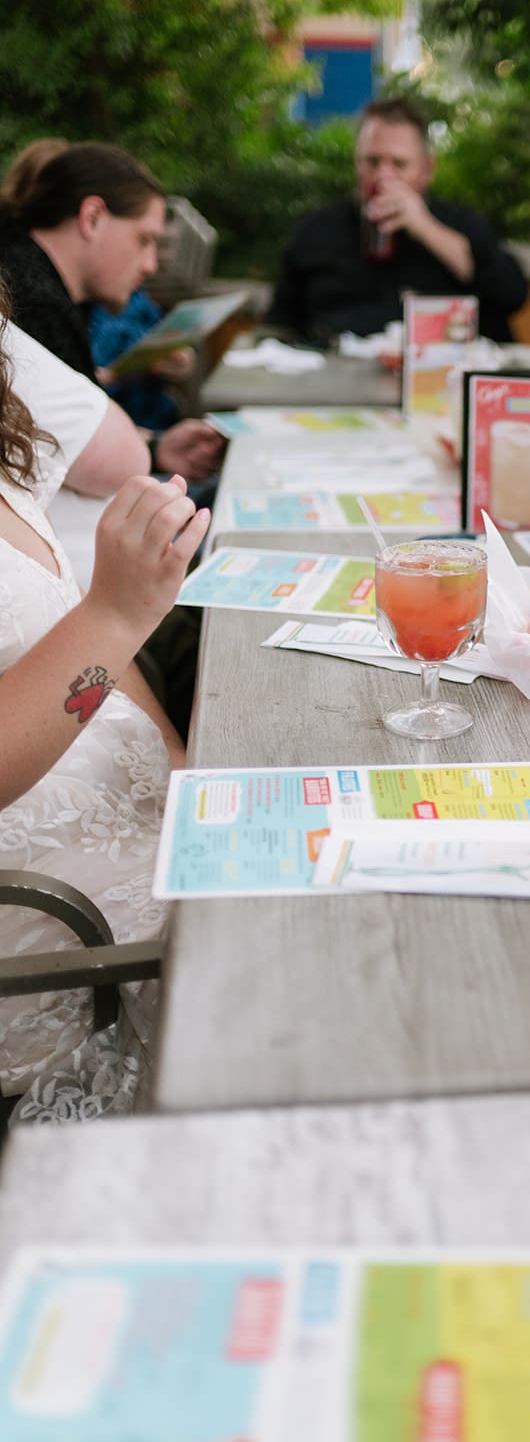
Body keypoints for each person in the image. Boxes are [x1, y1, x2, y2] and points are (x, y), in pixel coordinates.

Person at [0, 287, 210, 1124]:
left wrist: (185, 770)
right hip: (53, 904)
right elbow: (92, 629)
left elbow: (76, 641)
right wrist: (116, 611)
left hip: (132, 811)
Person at [0, 141, 222, 484]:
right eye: (144, 240)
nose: (150, 265)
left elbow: (69, 440)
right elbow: (77, 451)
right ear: (92, 218)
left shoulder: (32, 280)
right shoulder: (30, 301)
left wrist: (159, 446)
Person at [269, 97, 530, 345]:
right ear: (356, 163)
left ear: (427, 169)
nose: (383, 177)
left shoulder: (460, 224)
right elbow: (279, 326)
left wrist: (426, 228)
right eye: (372, 162)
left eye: (399, 164)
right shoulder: (316, 232)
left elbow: (513, 295)